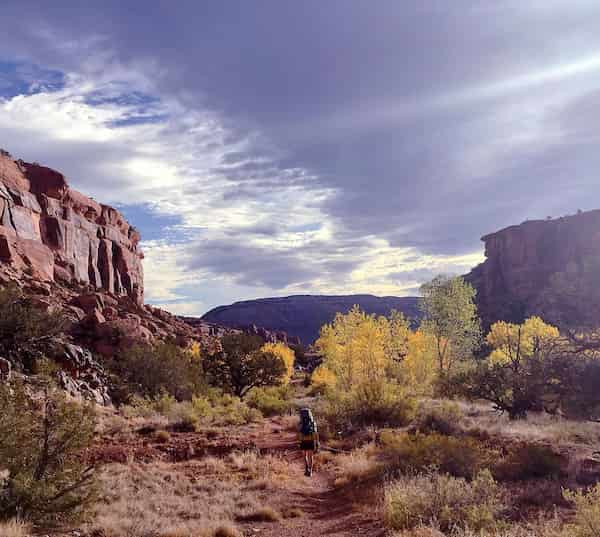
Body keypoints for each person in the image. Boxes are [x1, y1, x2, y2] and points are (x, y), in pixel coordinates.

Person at [298, 407, 319, 476]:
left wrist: (299, 441)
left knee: (304, 455)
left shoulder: (300, 422)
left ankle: (306, 468)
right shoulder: (313, 422)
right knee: (311, 456)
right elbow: (315, 433)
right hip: (311, 440)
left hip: (303, 440)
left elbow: (299, 432)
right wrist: (317, 442)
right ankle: (311, 471)